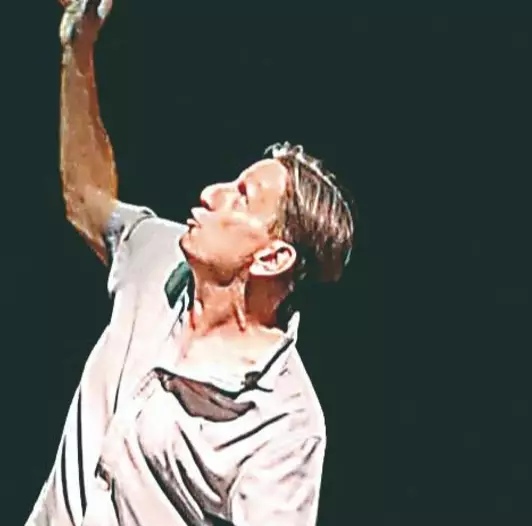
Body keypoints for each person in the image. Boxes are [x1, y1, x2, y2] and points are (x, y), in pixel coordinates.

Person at [26, 1, 355, 525]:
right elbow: (86, 198)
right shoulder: (160, 254)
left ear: (273, 257)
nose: (210, 193)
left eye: (241, 197)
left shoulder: (285, 421)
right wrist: (77, 49)